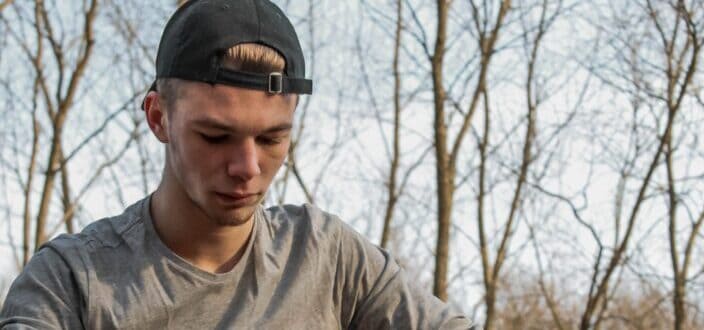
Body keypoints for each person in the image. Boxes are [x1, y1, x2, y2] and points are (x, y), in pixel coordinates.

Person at [0, 0, 472, 328]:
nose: (247, 167)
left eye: (271, 138)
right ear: (158, 116)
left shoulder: (328, 258)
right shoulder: (71, 282)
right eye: (216, 136)